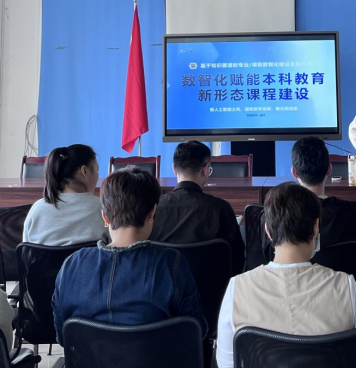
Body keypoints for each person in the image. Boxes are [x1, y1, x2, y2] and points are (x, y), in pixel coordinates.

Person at [216, 182, 356, 368]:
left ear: (268, 232)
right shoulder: (346, 286)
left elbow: (227, 364)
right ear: (316, 228)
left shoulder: (237, 289)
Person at [52, 167, 206, 344]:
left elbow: (63, 336)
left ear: (105, 217)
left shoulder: (72, 265)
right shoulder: (173, 264)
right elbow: (195, 332)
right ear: (152, 213)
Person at [261, 137, 356, 269]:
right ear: (329, 169)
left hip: (286, 282)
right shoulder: (350, 213)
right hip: (342, 282)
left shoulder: (275, 215)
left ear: (294, 173)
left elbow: (268, 258)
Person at [149, 140, 245, 276]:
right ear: (205, 169)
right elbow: (237, 260)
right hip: (213, 287)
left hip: (164, 285)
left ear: (174, 169)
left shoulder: (154, 207)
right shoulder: (221, 208)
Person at [23, 144, 107, 246]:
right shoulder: (104, 208)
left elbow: (26, 249)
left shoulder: (37, 209)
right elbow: (116, 247)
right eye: (97, 170)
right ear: (84, 171)